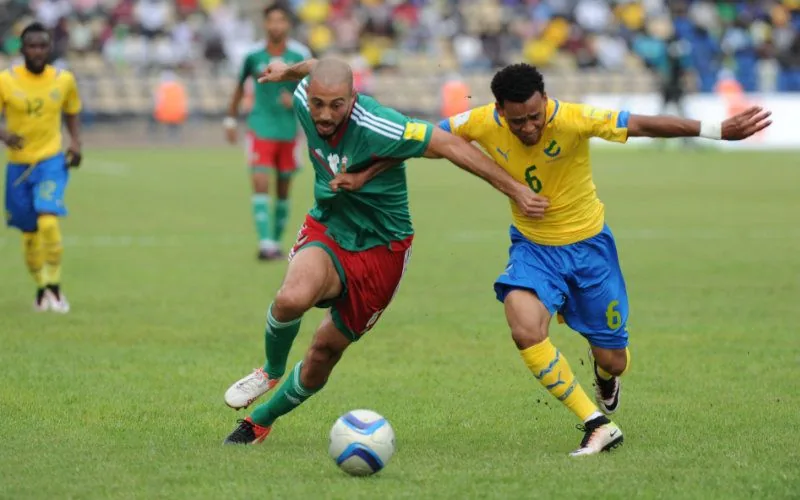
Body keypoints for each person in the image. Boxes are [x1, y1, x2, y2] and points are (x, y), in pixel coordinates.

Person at [333, 63, 771, 456]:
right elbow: (424, 139)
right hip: (533, 250)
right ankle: (596, 423)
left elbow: (641, 124)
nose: (528, 128)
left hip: (590, 252)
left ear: (545, 102)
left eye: (535, 117)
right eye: (517, 120)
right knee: (523, 324)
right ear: (500, 111)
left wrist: (715, 130)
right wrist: (364, 172)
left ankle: (605, 375)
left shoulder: (575, 118)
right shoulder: (481, 121)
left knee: (613, 358)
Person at [221, 58, 549, 445]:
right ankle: (270, 370)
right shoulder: (301, 96)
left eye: (337, 105)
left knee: (323, 353)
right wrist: (289, 71)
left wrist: (516, 189)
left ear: (352, 98)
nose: (325, 115)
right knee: (291, 297)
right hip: (330, 225)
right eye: (318, 104)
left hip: (383, 248)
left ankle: (261, 420)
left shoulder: (379, 122)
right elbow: (314, 67)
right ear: (307, 97)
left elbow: (446, 144)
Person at [0, 22, 83, 313]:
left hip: (50, 160)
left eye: (42, 46)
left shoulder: (63, 80)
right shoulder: (6, 80)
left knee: (48, 220)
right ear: (22, 49)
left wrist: (75, 143)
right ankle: (40, 287)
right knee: (29, 234)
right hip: (18, 167)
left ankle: (56, 287)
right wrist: (4, 133)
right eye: (32, 46)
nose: (37, 51)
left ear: (50, 48)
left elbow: (72, 111)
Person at [223, 3, 312, 260]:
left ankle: (275, 240)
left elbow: (313, 90)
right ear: (265, 24)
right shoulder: (252, 55)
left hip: (288, 131)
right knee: (260, 182)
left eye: (281, 21)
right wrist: (230, 120)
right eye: (271, 21)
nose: (276, 26)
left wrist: (296, 98)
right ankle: (265, 244)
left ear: (288, 25)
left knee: (283, 189)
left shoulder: (300, 54)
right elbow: (239, 87)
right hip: (260, 126)